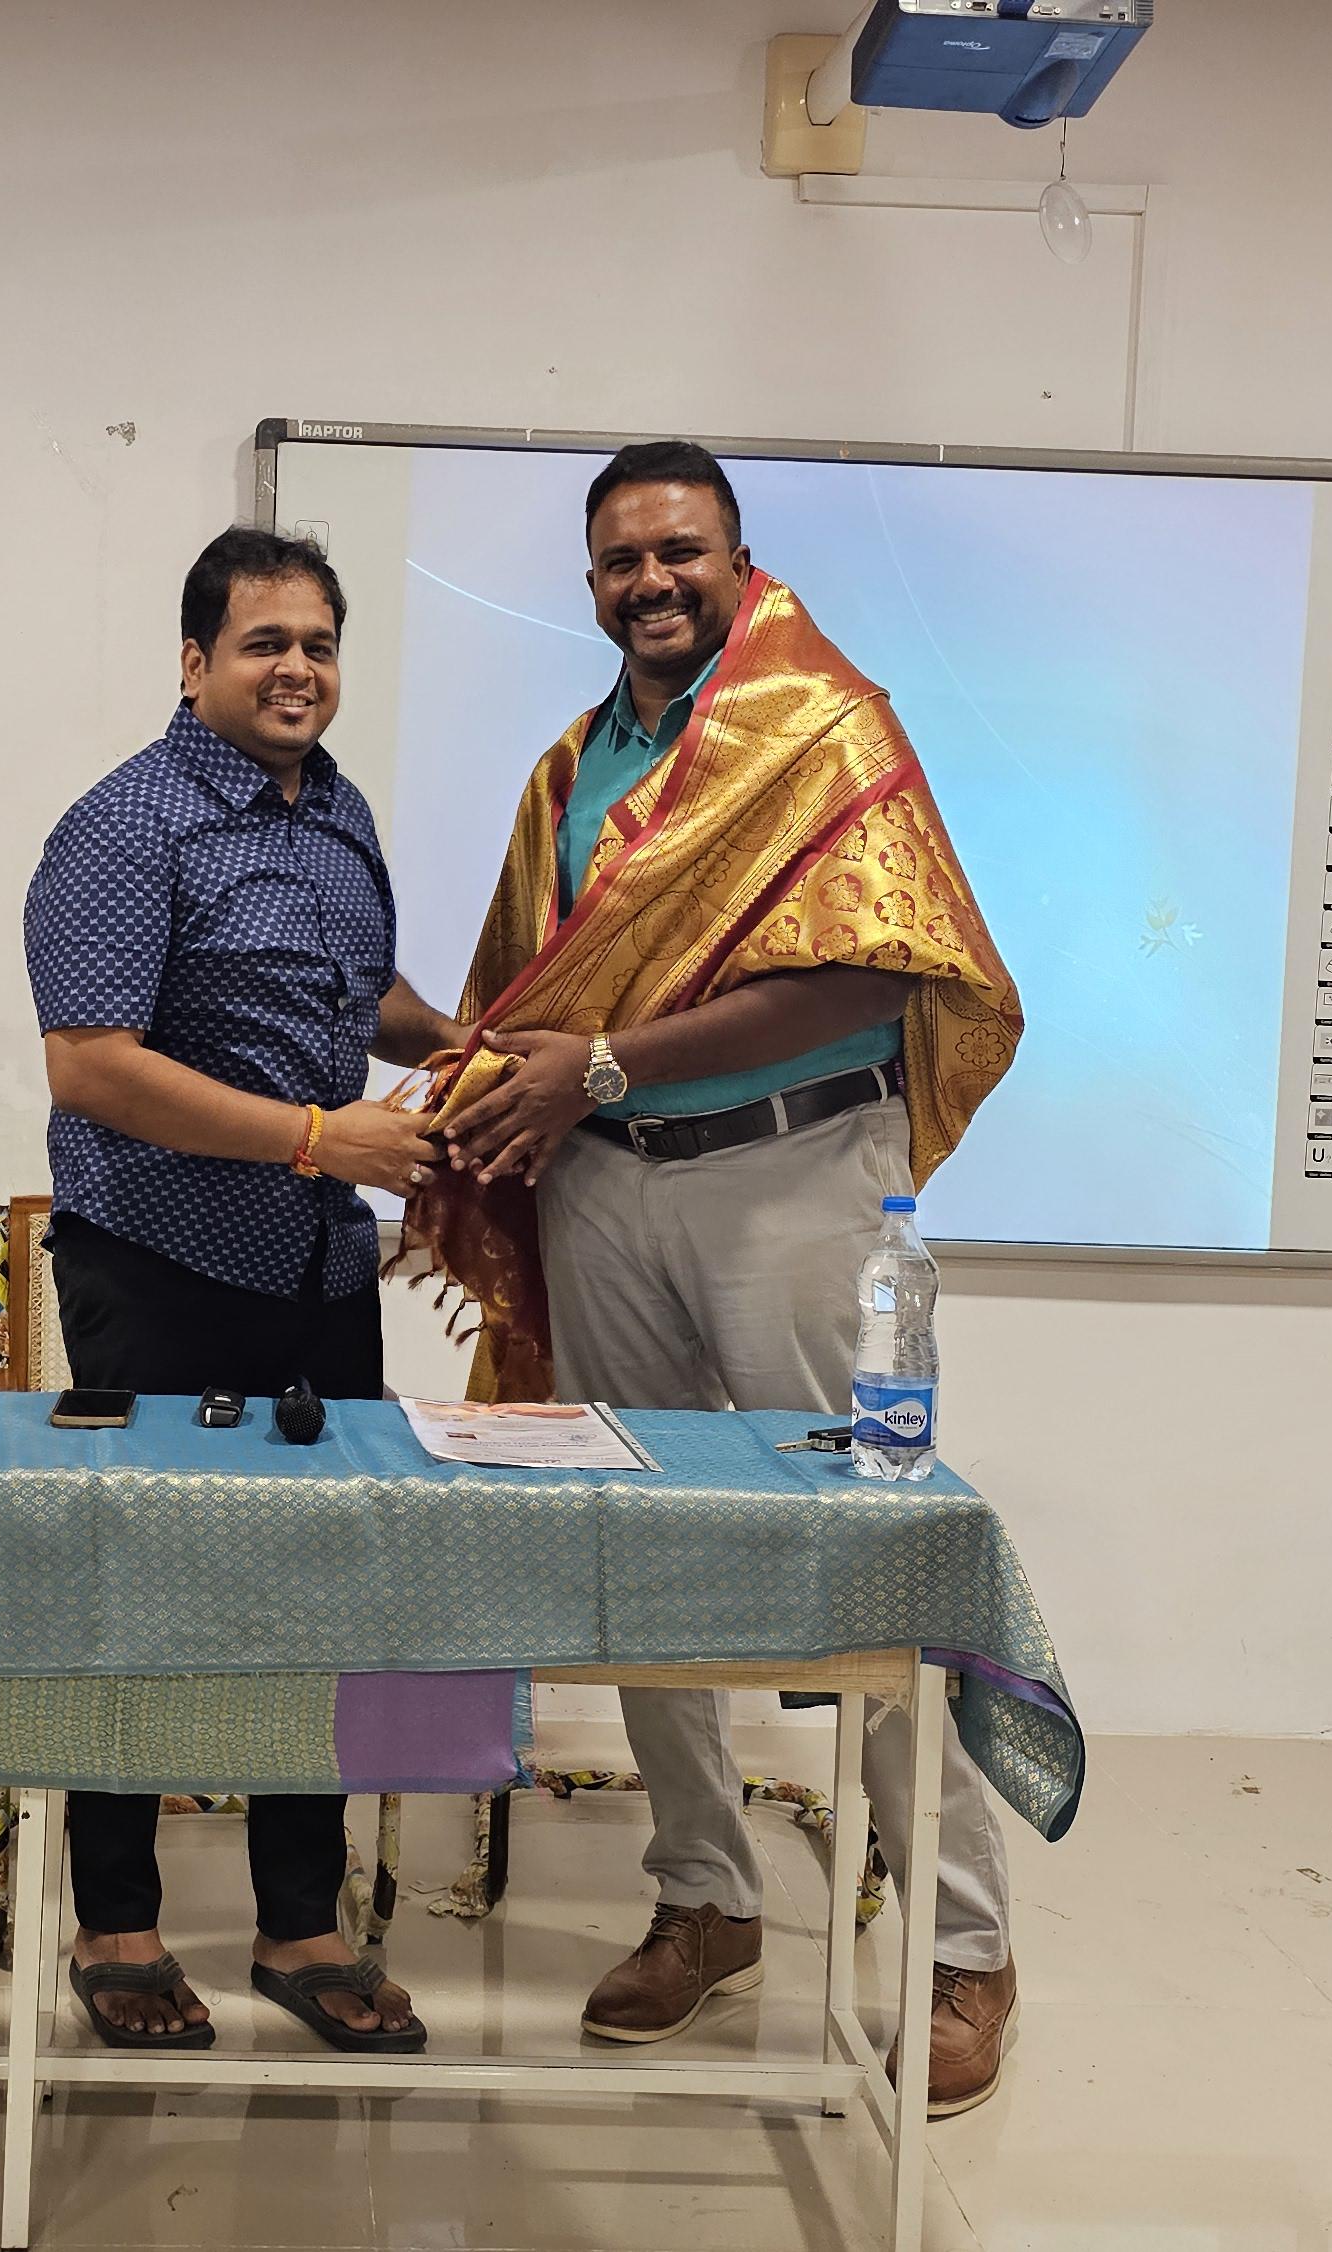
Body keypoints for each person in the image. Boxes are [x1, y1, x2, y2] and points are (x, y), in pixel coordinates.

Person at [405, 442, 1033, 2116]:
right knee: (640, 1545)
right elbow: (532, 996)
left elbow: (873, 978)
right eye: (621, 560)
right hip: (605, 1190)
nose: (651, 582)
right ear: (590, 582)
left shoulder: (827, 728)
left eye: (680, 551)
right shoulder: (575, 767)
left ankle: (964, 1949)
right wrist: (500, 1089)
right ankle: (705, 1894)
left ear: (739, 562)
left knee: (871, 1549)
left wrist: (605, 1064)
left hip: (793, 1178)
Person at [19, 527, 464, 2053]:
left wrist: (462, 1046)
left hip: (319, 1271)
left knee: (315, 1591)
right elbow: (92, 1064)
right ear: (195, 659)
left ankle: (299, 1925)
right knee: (135, 1595)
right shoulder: (126, 825)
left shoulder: (337, 812)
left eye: (319, 644)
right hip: (159, 1265)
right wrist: (320, 1138)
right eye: (266, 642)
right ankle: (117, 1925)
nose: (298, 670)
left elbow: (358, 992)